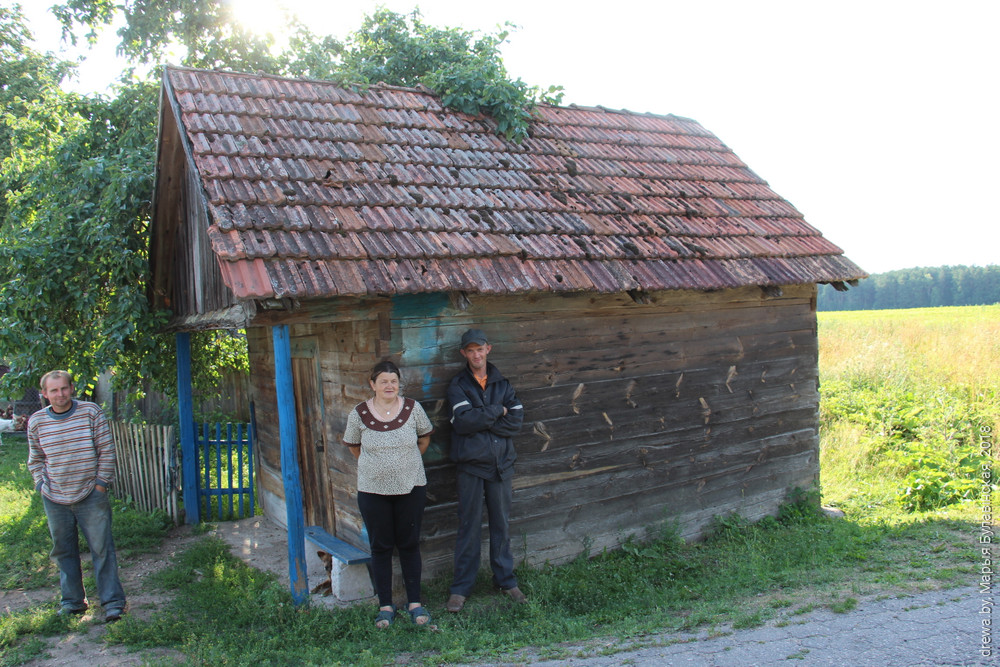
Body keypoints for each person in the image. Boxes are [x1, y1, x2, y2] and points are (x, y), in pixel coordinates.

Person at [26, 370, 127, 622]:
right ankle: (73, 602)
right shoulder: (37, 421)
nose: (59, 394)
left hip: (90, 495)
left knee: (102, 549)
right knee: (63, 550)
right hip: (55, 498)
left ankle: (113, 603)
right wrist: (40, 484)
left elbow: (106, 450)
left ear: (72, 388)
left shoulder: (90, 412)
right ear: (45, 394)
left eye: (63, 388)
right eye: (53, 390)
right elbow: (35, 458)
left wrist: (101, 484)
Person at [342, 360, 435, 628]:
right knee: (380, 547)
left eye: (393, 381)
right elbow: (353, 445)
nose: (389, 385)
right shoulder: (358, 413)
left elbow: (425, 437)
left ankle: (415, 604)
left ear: (399, 384)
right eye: (383, 381)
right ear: (372, 384)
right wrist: (376, 468)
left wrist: (409, 463)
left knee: (409, 543)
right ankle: (385, 606)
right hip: (372, 490)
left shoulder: (412, 408)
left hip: (411, 487)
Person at [446, 329, 526, 613]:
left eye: (480, 349)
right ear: (463, 354)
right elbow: (463, 423)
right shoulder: (458, 385)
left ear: (488, 349)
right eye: (470, 350)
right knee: (468, 526)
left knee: (501, 525)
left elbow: (515, 422)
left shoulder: (503, 383)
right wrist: (497, 411)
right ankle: (461, 588)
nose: (476, 355)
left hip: (501, 465)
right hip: (471, 467)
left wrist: (484, 416)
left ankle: (505, 581)